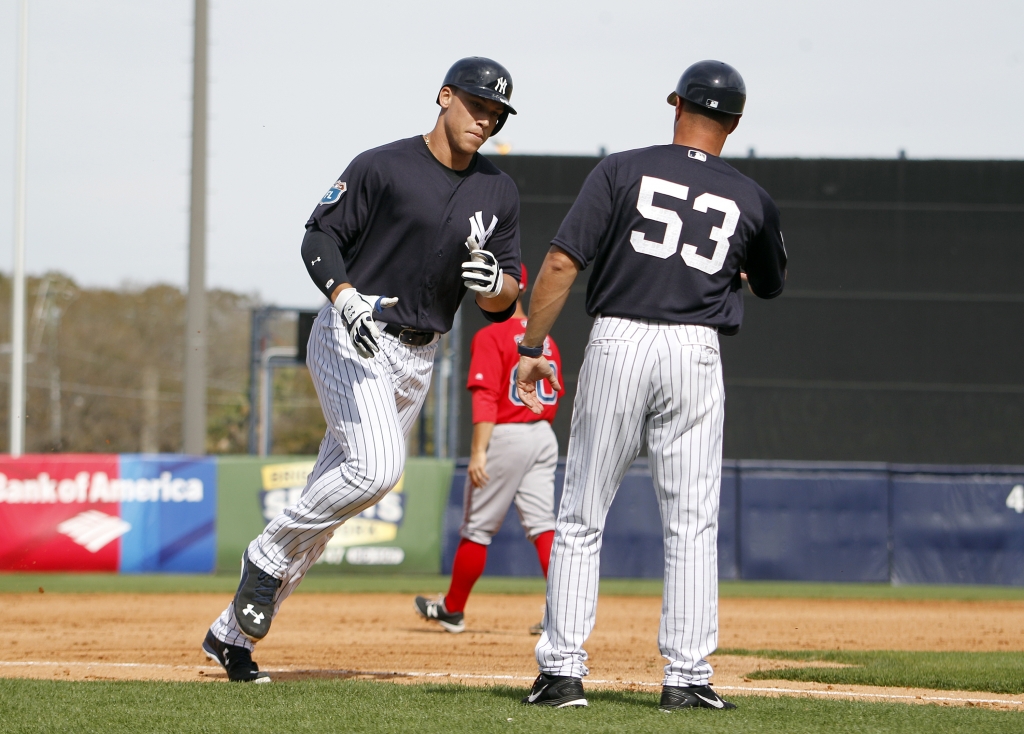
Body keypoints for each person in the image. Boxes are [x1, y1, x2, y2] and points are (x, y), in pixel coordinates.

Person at [200, 57, 523, 683]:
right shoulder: (383, 164)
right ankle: (263, 554)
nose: (485, 119)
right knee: (377, 469)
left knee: (333, 508)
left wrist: (494, 287)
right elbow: (317, 236)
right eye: (477, 105)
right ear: (445, 96)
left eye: (497, 113)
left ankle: (231, 638)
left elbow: (504, 293)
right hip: (355, 330)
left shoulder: (498, 190)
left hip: (419, 355)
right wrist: (343, 296)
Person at [514, 60, 787, 710]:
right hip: (695, 350)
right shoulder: (750, 196)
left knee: (580, 513)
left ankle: (561, 675)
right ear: (737, 122)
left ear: (676, 104)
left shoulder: (622, 168)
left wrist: (529, 346)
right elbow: (769, 280)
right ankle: (687, 679)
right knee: (692, 522)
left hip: (619, 339)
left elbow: (559, 261)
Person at [414, 265, 564, 634]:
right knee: (544, 527)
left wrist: (479, 452)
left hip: (507, 435)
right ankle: (562, 615)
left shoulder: (491, 335)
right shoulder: (544, 339)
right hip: (543, 434)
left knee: (477, 529)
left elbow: (485, 400)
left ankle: (452, 609)